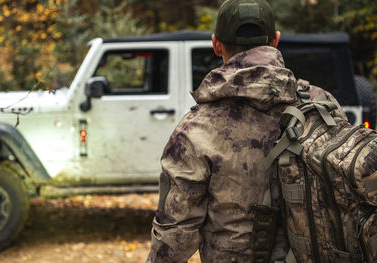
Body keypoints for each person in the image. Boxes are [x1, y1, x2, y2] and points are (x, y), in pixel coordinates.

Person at [147, 0, 346, 262]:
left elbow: (174, 236)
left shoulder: (196, 129)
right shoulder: (322, 104)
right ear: (275, 40)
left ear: (216, 44)